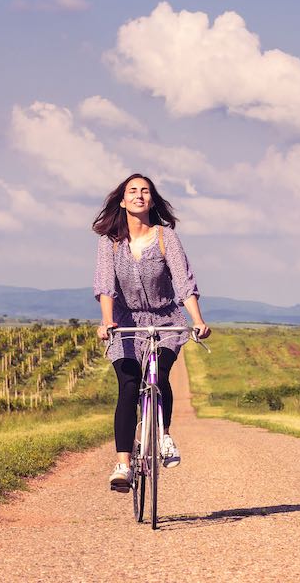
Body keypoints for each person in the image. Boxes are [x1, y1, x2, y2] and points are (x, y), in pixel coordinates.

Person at [92, 173, 211, 492]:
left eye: (145, 191)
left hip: (165, 320)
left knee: (158, 374)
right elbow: (105, 285)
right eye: (133, 191)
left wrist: (197, 320)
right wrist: (106, 322)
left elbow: (184, 282)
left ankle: (165, 436)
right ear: (122, 200)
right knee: (129, 386)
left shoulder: (165, 237)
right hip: (125, 323)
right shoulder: (109, 242)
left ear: (153, 200)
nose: (139, 195)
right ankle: (123, 465)